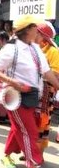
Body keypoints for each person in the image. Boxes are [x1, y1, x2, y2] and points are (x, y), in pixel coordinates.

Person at [0, 15, 59, 168]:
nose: (38, 30)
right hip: (14, 96)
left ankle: (8, 155)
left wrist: (57, 85)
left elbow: (47, 72)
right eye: (35, 27)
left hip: (33, 96)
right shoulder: (11, 48)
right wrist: (12, 82)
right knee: (29, 132)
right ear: (28, 30)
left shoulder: (35, 49)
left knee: (21, 129)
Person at [33, 21, 59, 155]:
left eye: (36, 32)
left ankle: (39, 154)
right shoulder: (34, 49)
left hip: (46, 92)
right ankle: (32, 153)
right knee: (32, 123)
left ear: (43, 36)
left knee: (42, 123)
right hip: (33, 91)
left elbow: (55, 74)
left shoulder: (53, 51)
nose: (33, 35)